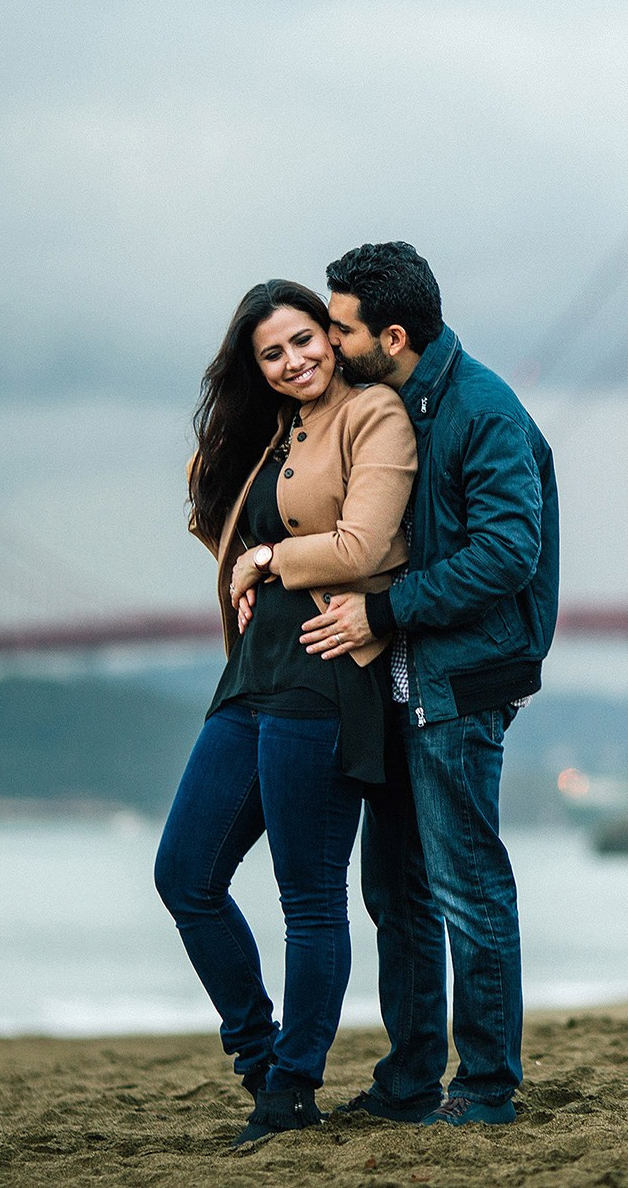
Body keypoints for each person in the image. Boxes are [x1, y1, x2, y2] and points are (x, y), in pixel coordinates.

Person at [300, 241, 559, 1128]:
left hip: (461, 683)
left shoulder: (484, 411)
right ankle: (411, 1079)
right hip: (403, 683)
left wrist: (384, 612)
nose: (329, 344)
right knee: (396, 889)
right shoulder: (393, 407)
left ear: (393, 334)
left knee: (466, 885)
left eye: (339, 329)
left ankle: (485, 1089)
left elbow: (506, 552)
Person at [154, 278, 417, 1146]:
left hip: (323, 669)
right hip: (250, 674)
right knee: (184, 874)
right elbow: (221, 527)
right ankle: (260, 1058)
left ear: (330, 338)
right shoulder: (271, 429)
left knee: (309, 897)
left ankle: (294, 1087)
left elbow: (369, 545)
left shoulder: (372, 415)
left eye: (307, 340)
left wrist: (269, 554)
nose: (296, 360)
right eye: (273, 353)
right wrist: (240, 543)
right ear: (256, 366)